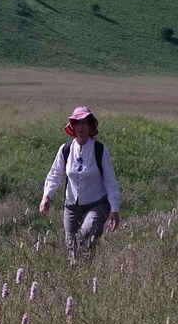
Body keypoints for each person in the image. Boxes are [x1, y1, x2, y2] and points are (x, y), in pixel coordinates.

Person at [39, 107, 121, 264]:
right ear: (73, 126)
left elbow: (110, 181)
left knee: (84, 237)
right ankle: (80, 275)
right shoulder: (66, 149)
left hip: (97, 204)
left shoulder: (99, 150)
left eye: (84, 123)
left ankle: (87, 273)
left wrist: (114, 209)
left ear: (91, 127)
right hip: (72, 206)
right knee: (72, 248)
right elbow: (55, 174)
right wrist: (46, 196)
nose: (81, 127)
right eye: (77, 123)